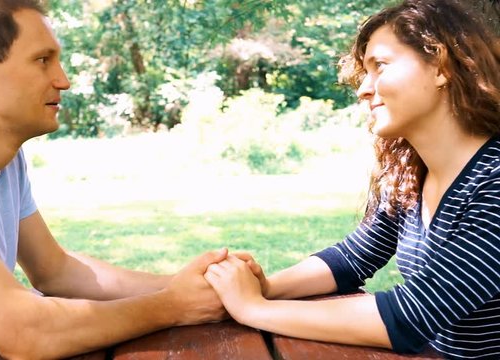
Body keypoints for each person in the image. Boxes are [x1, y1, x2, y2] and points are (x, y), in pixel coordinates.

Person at [0, 0, 230, 359]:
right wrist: (172, 306)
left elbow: (57, 271)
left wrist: (189, 285)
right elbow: (23, 333)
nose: (63, 80)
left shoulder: (6, 160)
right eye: (42, 60)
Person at [204, 0, 500, 358]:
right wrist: (266, 287)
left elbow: (413, 317)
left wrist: (255, 309)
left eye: (380, 66)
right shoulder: (409, 173)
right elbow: (352, 258)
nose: (363, 88)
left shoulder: (493, 182)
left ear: (440, 65)